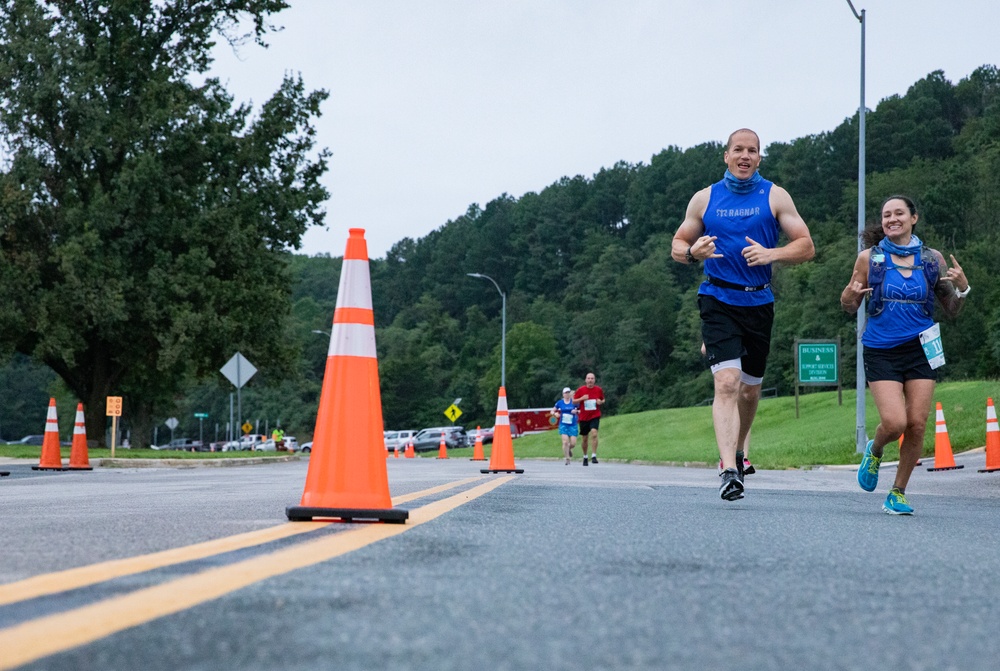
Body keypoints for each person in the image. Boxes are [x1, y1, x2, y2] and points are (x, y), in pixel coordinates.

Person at [673, 128, 814, 501]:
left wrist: (772, 255)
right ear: (726, 155)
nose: (745, 156)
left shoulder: (775, 195)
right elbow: (677, 243)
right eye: (738, 150)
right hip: (717, 298)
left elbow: (806, 245)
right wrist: (692, 254)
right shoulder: (705, 199)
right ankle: (729, 470)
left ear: (759, 158)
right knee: (727, 383)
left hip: (759, 301)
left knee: (750, 392)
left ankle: (738, 450)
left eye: (752, 151)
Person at [840, 195, 968, 515]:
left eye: (899, 213)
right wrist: (850, 296)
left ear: (914, 218)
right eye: (886, 215)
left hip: (921, 348)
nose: (892, 219)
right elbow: (848, 304)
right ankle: (876, 448)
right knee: (895, 422)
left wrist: (962, 289)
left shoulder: (932, 260)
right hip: (881, 348)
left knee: (917, 423)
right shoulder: (869, 259)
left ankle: (897, 492)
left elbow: (950, 308)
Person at [573, 372, 605, 466]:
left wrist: (600, 402)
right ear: (586, 380)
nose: (590, 380)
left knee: (594, 433)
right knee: (585, 438)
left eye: (592, 378)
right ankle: (585, 456)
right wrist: (582, 398)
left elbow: (602, 399)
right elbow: (574, 401)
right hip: (584, 417)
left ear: (594, 380)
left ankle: (594, 456)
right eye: (588, 378)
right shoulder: (581, 390)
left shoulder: (598, 390)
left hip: (595, 415)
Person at [551, 387, 580, 465]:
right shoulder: (560, 403)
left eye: (568, 393)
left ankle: (569, 449)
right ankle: (567, 458)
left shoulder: (574, 402)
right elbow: (552, 410)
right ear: (563, 394)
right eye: (565, 393)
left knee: (573, 443)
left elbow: (581, 410)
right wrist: (555, 413)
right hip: (563, 424)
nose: (567, 394)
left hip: (573, 424)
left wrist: (576, 411)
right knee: (565, 442)